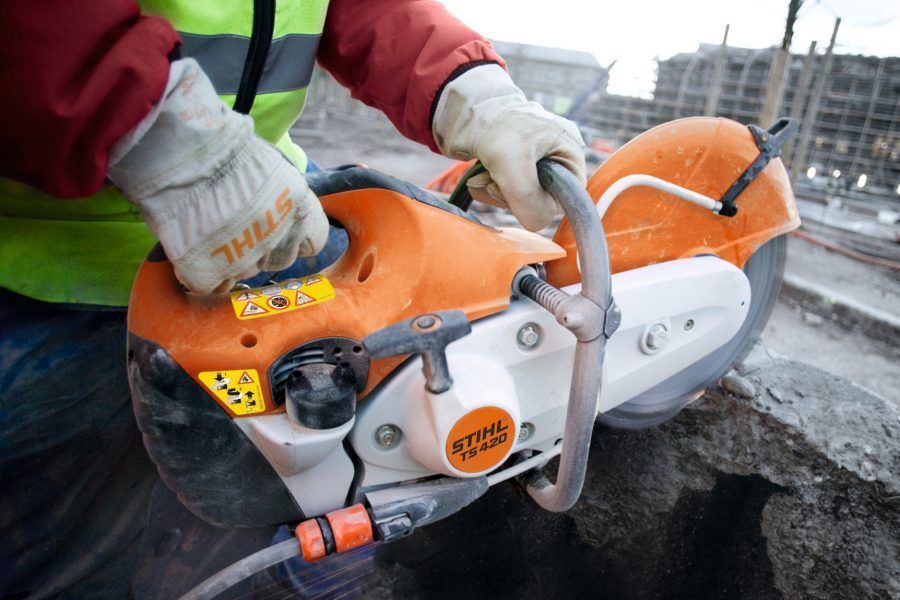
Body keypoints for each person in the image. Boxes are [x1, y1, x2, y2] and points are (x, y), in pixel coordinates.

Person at [0, 0, 586, 597]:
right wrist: (169, 143)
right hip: (54, 266)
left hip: (276, 214)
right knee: (65, 553)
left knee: (280, 518)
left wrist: (473, 91)